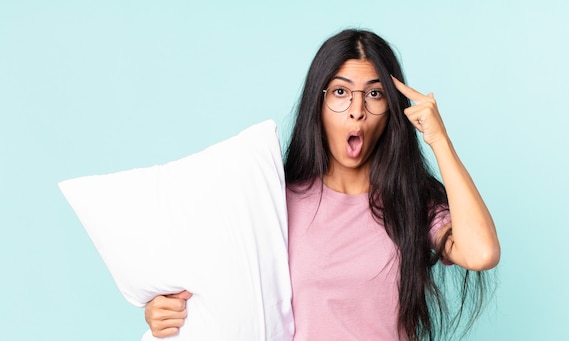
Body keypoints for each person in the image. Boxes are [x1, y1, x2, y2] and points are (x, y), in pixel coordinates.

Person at [144, 29, 500, 340]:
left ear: (392, 110)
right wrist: (165, 313)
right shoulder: (275, 199)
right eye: (341, 93)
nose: (356, 110)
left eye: (374, 94)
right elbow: (217, 287)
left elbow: (481, 253)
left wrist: (439, 139)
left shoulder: (413, 201)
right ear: (319, 102)